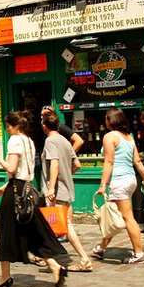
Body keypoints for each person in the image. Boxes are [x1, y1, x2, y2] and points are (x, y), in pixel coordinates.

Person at [0, 111, 69, 287]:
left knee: (6, 232)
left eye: (8, 126)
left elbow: (12, 168)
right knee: (31, 233)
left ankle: (5, 276)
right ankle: (55, 267)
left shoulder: (15, 140)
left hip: (15, 194)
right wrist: (5, 186)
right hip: (27, 190)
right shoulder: (29, 141)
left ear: (15, 126)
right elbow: (24, 172)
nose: (7, 130)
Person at [92, 107, 144, 264]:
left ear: (110, 120)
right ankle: (101, 248)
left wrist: (103, 185)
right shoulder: (129, 137)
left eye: (106, 118)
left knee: (128, 218)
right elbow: (137, 161)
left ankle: (138, 253)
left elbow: (109, 161)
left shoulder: (110, 136)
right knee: (113, 215)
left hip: (119, 181)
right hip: (130, 180)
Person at [40, 110, 91, 271]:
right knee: (53, 225)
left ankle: (84, 259)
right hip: (66, 188)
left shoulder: (50, 141)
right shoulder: (65, 141)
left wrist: (51, 187)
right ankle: (46, 257)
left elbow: (54, 163)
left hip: (56, 191)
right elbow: (77, 165)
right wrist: (66, 175)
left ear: (44, 126)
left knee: (64, 225)